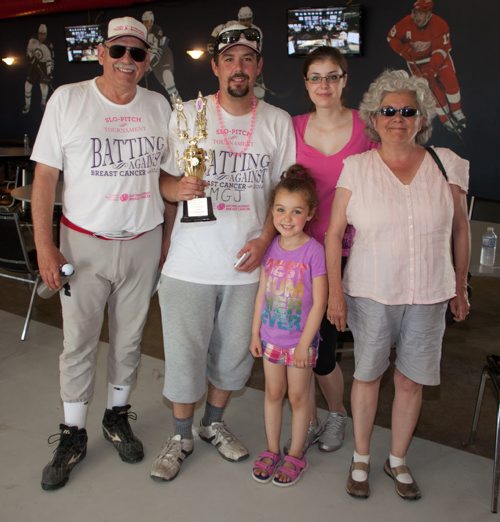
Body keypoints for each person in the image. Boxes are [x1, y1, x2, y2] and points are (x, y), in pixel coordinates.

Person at [31, 16, 182, 491]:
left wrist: (166, 241)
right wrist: (45, 246)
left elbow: (168, 180)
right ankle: (73, 433)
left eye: (137, 54)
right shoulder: (69, 100)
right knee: (77, 343)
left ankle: (116, 417)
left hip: (141, 243)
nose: (127, 62)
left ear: (148, 61)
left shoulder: (160, 107)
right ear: (102, 53)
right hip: (84, 245)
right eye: (119, 51)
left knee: (130, 340)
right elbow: (45, 179)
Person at [150, 24, 295, 482]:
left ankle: (212, 423)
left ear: (259, 67)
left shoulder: (277, 121)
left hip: (248, 266)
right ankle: (180, 436)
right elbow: (163, 182)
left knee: (233, 357)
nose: (239, 67)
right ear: (215, 66)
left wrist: (265, 239)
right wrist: (180, 186)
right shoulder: (187, 114)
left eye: (247, 59)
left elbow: (284, 193)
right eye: (229, 59)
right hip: (190, 264)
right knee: (184, 355)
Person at [325, 69, 470, 500]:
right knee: (368, 375)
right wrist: (335, 293)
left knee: (411, 380)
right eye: (388, 110)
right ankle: (363, 456)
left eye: (408, 111)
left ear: (422, 119)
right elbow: (334, 234)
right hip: (371, 291)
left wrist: (460, 287)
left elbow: (461, 231)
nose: (398, 118)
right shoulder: (356, 168)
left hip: (429, 292)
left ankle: (398, 459)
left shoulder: (447, 164)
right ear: (373, 118)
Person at [291, 46, 375, 454]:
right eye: (315, 77)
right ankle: (306, 420)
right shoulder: (291, 128)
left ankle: (336, 413)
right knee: (299, 346)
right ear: (305, 83)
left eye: (332, 76)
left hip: (348, 253)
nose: (324, 85)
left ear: (344, 80)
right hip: (300, 254)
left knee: (323, 350)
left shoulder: (368, 128)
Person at [250, 165, 327, 487]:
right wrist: (254, 331)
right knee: (273, 393)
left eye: (296, 211)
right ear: (272, 211)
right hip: (270, 339)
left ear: (310, 214)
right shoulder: (271, 248)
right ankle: (271, 449)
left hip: (300, 344)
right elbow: (262, 293)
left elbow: (320, 303)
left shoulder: (314, 251)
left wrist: (303, 344)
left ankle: (295, 454)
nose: (287, 217)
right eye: (280, 209)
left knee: (298, 398)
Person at [387, 0, 466, 135]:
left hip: (437, 59)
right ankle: (444, 116)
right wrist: (405, 50)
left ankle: (457, 110)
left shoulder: (440, 24)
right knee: (431, 90)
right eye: (415, 13)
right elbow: (391, 37)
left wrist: (432, 68)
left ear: (429, 14)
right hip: (416, 61)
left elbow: (441, 49)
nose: (417, 17)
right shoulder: (405, 23)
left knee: (450, 82)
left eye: (421, 14)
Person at [209, 6, 266, 99]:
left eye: (248, 19)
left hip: (250, 62)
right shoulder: (231, 25)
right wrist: (212, 43)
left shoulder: (256, 31)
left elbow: (256, 51)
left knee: (259, 93)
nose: (246, 23)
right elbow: (216, 30)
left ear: (252, 19)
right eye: (243, 20)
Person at [141, 10, 180, 106]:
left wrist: (148, 66)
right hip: (153, 58)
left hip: (163, 55)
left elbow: (157, 51)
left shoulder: (156, 30)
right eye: (144, 22)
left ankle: (178, 106)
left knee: (168, 78)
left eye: (148, 22)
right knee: (166, 85)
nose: (146, 24)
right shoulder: (141, 33)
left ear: (152, 21)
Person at [22, 23, 54, 114]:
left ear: (46, 34)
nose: (41, 36)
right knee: (27, 85)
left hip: (43, 66)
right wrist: (30, 58)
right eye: (40, 33)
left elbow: (50, 61)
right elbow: (28, 51)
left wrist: (49, 73)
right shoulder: (33, 40)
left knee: (44, 86)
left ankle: (43, 103)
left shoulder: (48, 46)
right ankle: (27, 104)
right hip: (34, 64)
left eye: (43, 34)